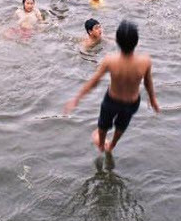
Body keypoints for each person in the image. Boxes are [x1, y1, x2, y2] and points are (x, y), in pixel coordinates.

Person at [65, 20, 159, 153]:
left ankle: (102, 145)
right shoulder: (145, 61)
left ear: (118, 43)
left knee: (103, 125)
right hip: (132, 103)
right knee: (122, 125)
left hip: (112, 101)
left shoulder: (110, 60)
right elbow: (148, 82)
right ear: (136, 42)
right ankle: (112, 145)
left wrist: (77, 98)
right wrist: (153, 99)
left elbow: (94, 81)